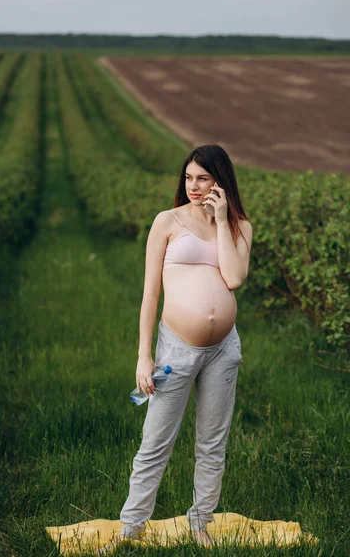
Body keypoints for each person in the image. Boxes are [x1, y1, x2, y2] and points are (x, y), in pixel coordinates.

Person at [99, 144, 252, 554]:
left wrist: (221, 219)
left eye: (203, 178)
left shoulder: (238, 226)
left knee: (212, 442)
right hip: (175, 348)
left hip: (223, 350)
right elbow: (150, 293)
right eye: (189, 178)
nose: (194, 186)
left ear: (221, 180)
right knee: (156, 442)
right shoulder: (167, 221)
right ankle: (131, 527)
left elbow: (234, 278)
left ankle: (200, 522)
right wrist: (143, 355)